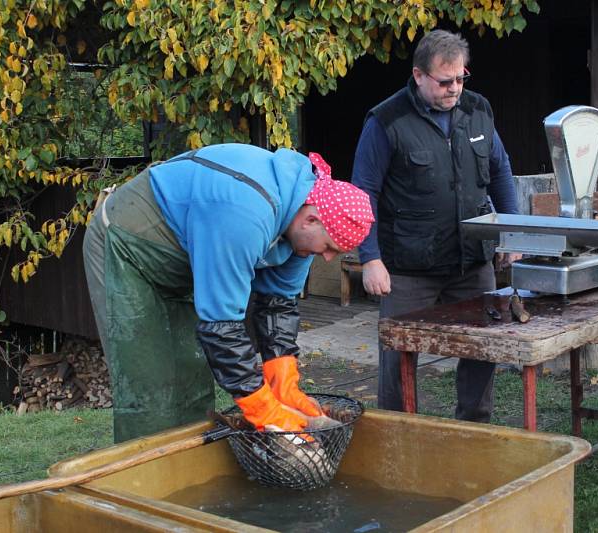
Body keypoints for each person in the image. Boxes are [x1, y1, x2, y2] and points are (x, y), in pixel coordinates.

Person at [83, 144, 374, 442]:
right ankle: (141, 480)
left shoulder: (301, 228)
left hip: (183, 258)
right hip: (126, 242)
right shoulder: (244, 211)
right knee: (147, 380)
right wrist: (262, 409)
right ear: (310, 220)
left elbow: (279, 305)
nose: (326, 258)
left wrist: (282, 382)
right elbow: (221, 327)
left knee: (191, 374)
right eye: (328, 248)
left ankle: (188, 475)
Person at [351, 29, 520, 422]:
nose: (455, 89)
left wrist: (511, 229)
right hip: (408, 267)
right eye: (445, 81)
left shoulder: (478, 109)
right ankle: (397, 429)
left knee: (483, 347)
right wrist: (370, 258)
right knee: (397, 354)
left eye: (461, 78)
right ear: (419, 75)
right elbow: (364, 193)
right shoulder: (386, 121)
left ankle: (474, 428)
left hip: (471, 261)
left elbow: (500, 170)